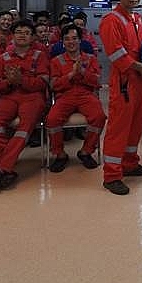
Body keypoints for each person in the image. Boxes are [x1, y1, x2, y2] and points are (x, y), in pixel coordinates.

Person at [98, 0, 142, 195]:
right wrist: (140, 67)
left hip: (140, 80)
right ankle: (112, 176)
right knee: (118, 129)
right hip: (124, 81)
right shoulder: (111, 20)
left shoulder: (137, 19)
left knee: (135, 126)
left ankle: (130, 164)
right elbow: (115, 54)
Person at [0, 19, 50, 192]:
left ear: (33, 38)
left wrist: (21, 80)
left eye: (27, 33)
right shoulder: (1, 59)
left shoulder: (40, 56)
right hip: (7, 97)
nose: (22, 35)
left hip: (32, 97)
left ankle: (2, 167)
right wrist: (9, 82)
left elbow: (42, 83)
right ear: (12, 36)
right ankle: (5, 167)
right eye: (19, 32)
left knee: (24, 127)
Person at [46, 24, 106, 173]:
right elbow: (54, 85)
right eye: (67, 39)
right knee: (52, 119)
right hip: (64, 96)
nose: (71, 42)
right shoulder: (56, 61)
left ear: (80, 40)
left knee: (99, 117)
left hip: (86, 95)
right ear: (62, 42)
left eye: (74, 38)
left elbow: (97, 81)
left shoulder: (90, 59)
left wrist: (82, 72)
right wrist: (71, 75)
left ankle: (86, 151)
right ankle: (60, 154)